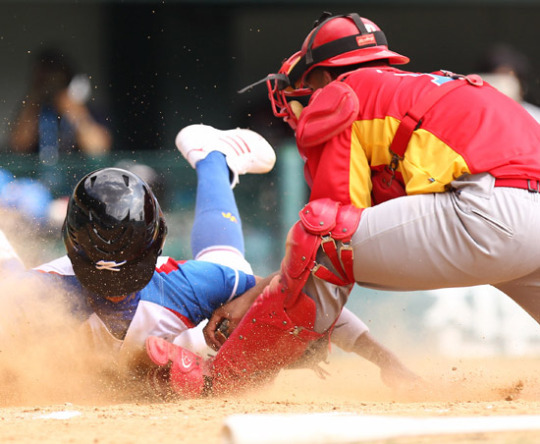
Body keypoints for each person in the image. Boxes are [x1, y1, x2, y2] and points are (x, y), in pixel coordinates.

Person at [152, 12, 540, 397]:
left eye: (305, 83)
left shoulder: (341, 93)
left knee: (321, 236)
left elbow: (323, 242)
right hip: (517, 214)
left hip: (487, 212)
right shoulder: (420, 88)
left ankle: (220, 380)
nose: (301, 96)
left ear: (323, 73)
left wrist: (256, 298)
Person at [0, 124, 417, 398]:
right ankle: (213, 157)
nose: (115, 288)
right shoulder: (41, 297)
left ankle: (212, 156)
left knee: (232, 287)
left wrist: (386, 360)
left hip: (189, 311)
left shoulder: (185, 285)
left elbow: (304, 293)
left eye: (127, 273)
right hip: (22, 292)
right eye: (101, 275)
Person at [9, 48, 112, 159]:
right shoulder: (33, 109)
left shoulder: (87, 109)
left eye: (57, 81)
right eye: (44, 80)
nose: (51, 87)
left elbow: (98, 148)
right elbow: (17, 146)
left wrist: (73, 110)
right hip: (38, 174)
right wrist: (35, 99)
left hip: (78, 173)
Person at [476, 43, 540, 123]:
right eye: (497, 79)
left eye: (510, 80)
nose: (503, 86)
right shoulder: (473, 115)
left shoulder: (536, 120)